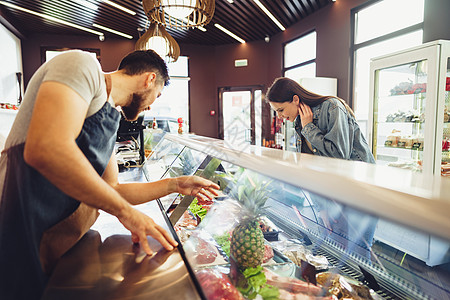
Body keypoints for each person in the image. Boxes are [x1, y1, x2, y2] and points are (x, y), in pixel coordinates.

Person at [0, 49, 219, 299]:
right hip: (18, 223)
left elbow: (113, 189)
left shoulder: (110, 116)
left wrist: (175, 184)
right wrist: (126, 213)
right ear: (149, 79)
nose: (152, 104)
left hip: (56, 240)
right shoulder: (82, 64)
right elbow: (46, 148)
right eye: (156, 95)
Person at [265, 77, 375, 163]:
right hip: (334, 181)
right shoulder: (300, 120)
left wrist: (309, 128)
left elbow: (340, 157)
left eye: (281, 110)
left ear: (295, 99)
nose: (279, 116)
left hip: (359, 179)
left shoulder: (332, 107)